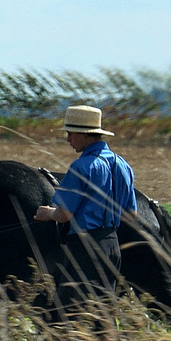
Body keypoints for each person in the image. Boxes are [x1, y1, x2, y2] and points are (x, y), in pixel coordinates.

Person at [33, 105, 136, 320]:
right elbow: (130, 215)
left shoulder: (82, 167)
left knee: (64, 314)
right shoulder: (123, 165)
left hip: (85, 247)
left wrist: (48, 213)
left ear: (84, 134)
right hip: (112, 246)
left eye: (70, 133)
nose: (68, 139)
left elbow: (64, 215)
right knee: (101, 315)